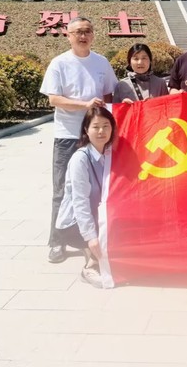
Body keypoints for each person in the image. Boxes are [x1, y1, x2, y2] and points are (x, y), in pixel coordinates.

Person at [40, 17, 118, 264]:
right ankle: (57, 241)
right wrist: (85, 105)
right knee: (62, 190)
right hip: (68, 135)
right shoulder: (59, 63)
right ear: (68, 35)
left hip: (97, 137)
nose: (83, 36)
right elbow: (54, 99)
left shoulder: (101, 62)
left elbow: (110, 95)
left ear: (93, 35)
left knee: (98, 189)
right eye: (77, 32)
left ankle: (95, 237)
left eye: (87, 31)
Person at [55, 106, 116, 288]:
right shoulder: (80, 159)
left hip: (97, 214)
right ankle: (90, 266)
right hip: (74, 223)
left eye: (106, 126)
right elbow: (80, 202)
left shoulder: (109, 153)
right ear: (86, 130)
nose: (101, 131)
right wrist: (91, 237)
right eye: (95, 127)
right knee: (103, 243)